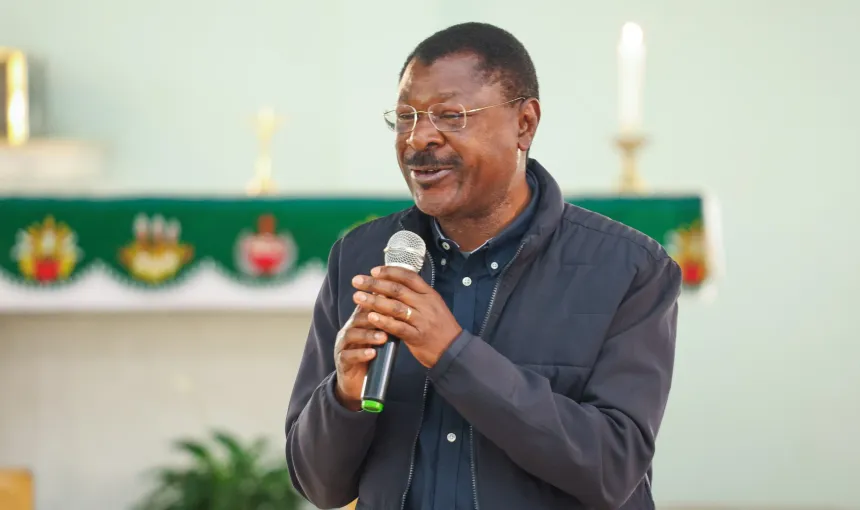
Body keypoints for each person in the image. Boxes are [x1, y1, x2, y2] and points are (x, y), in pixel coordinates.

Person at [284, 21, 681, 510]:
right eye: (405, 117)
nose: (418, 138)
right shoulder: (362, 256)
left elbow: (613, 468)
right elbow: (319, 487)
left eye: (450, 115)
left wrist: (451, 354)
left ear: (525, 124)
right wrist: (344, 396)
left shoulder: (628, 268)